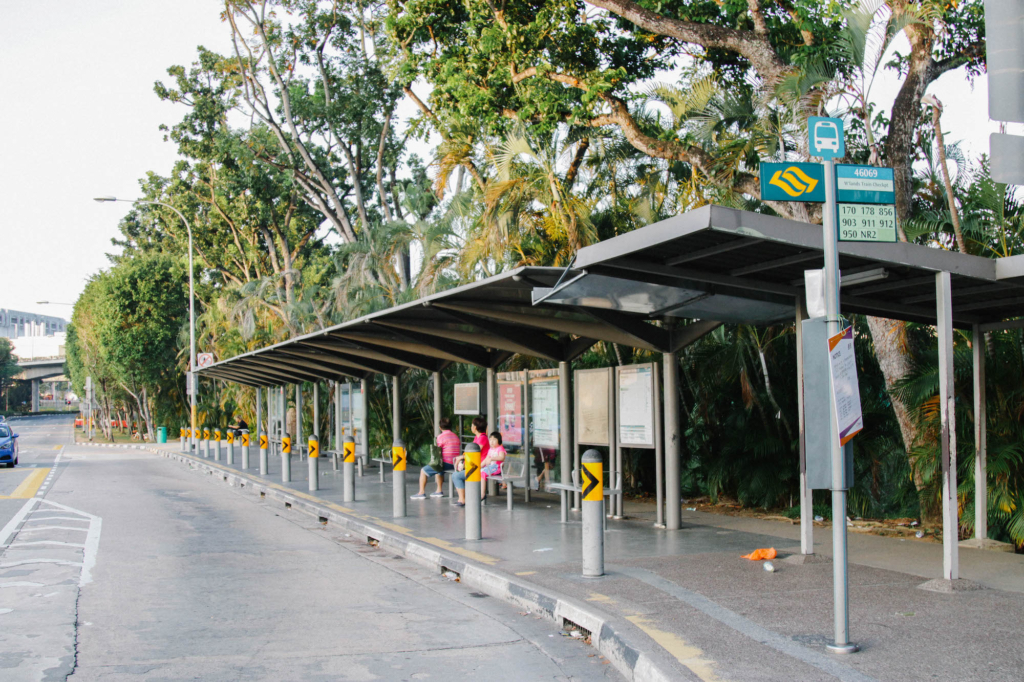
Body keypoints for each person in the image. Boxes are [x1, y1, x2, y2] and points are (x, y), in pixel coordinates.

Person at [411, 417, 460, 499]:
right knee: (439, 470)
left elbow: (437, 450)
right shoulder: (456, 436)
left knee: (423, 471)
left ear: (440, 427)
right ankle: (438, 491)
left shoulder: (440, 437)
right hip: (455, 463)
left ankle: (421, 493)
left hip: (446, 463)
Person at [451, 417, 488, 506]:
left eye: (471, 425)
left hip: (479, 467)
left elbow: (474, 453)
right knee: (457, 475)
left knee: (456, 476)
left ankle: (462, 499)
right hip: (475, 466)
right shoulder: (477, 437)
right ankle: (464, 498)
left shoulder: (482, 438)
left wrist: (461, 457)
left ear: (475, 427)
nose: (471, 427)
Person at [479, 431, 506, 500]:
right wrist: (479, 466)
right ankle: (479, 491)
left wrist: (492, 458)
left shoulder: (500, 448)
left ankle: (482, 493)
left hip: (497, 468)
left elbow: (502, 457)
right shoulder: (490, 449)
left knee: (483, 473)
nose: (491, 441)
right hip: (491, 467)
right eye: (490, 439)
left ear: (498, 440)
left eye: (494, 439)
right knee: (479, 472)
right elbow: (486, 459)